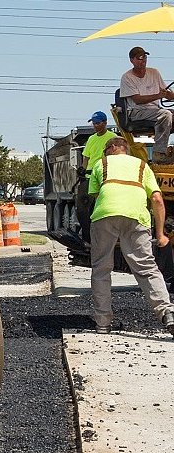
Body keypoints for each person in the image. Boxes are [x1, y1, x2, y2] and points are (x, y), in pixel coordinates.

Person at [88, 136, 174, 335]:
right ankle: (167, 312)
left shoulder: (102, 164)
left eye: (105, 150)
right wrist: (160, 234)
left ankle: (103, 323)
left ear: (111, 148)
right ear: (125, 149)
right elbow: (157, 199)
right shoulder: (143, 166)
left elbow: (94, 194)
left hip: (104, 216)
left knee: (101, 268)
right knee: (147, 268)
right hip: (136, 216)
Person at [119, 46, 174, 163]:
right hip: (137, 111)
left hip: (155, 110)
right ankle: (159, 153)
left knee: (168, 114)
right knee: (165, 115)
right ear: (132, 60)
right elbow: (137, 100)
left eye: (145, 57)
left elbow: (165, 92)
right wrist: (159, 96)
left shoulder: (154, 72)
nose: (143, 60)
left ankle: (169, 150)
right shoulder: (127, 78)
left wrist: (170, 95)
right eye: (139, 58)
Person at [76, 111, 118, 243]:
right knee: (82, 206)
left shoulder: (113, 138)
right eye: (93, 123)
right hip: (90, 175)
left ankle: (107, 236)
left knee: (103, 206)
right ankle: (87, 238)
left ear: (105, 123)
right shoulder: (91, 138)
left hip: (105, 175)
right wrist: (83, 169)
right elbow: (86, 157)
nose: (95, 125)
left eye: (97, 123)